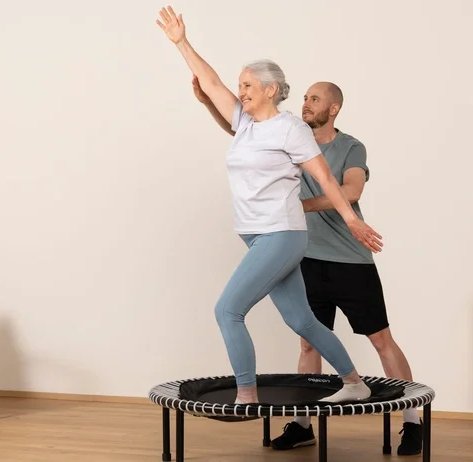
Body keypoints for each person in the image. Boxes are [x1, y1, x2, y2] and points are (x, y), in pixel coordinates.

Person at [155, 5, 383, 405]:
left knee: (227, 310)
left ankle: (246, 395)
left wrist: (351, 221)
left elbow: (328, 179)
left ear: (270, 90)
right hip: (258, 235)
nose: (240, 91)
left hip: (281, 232)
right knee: (301, 319)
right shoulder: (244, 123)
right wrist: (181, 43)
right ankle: (353, 381)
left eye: (247, 86)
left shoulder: (290, 128)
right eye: (240, 85)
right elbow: (210, 82)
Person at [192, 77, 423, 455]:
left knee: (380, 340)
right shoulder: (284, 134)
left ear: (333, 109)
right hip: (305, 254)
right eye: (304, 97)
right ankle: (303, 424)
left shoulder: (350, 147)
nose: (306, 103)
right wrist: (207, 103)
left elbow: (349, 190)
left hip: (349, 257)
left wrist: (295, 207)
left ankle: (412, 420)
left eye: (315, 99)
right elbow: (242, 131)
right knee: (305, 336)